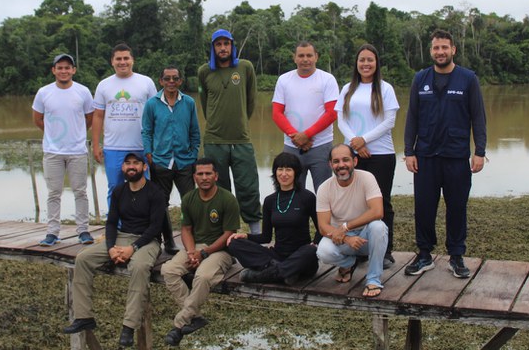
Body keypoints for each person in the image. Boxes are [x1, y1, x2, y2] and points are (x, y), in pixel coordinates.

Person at [403, 29, 487, 279]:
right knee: (424, 207)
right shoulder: (421, 79)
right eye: (436, 48)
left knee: (457, 207)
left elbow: (478, 118)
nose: (440, 52)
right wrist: (409, 151)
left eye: (444, 48)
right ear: (431, 51)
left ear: (453, 50)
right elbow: (412, 119)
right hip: (426, 156)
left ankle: (457, 256)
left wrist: (479, 151)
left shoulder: (468, 79)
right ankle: (425, 254)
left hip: (456, 157)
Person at [63, 152, 165, 347]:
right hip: (121, 236)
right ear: (123, 168)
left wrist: (132, 249)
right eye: (128, 163)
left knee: (139, 267)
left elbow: (155, 227)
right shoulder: (119, 191)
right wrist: (111, 249)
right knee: (83, 259)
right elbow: (110, 224)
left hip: (147, 241)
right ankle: (84, 316)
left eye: (136, 163)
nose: (131, 166)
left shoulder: (155, 192)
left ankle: (129, 326)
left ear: (144, 167)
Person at [160, 158, 240, 347]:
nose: (204, 177)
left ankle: (179, 324)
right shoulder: (189, 198)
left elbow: (229, 233)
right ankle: (195, 318)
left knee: (203, 277)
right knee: (169, 270)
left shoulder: (227, 199)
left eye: (208, 173)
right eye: (200, 174)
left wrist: (203, 253)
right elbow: (186, 229)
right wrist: (190, 252)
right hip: (195, 247)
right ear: (194, 176)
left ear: (216, 176)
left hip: (221, 250)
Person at [335, 44, 400, 268]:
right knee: (356, 203)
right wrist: (355, 142)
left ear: (376, 63)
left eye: (370, 60)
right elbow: (341, 119)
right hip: (352, 154)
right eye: (361, 60)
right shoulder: (347, 89)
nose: (365, 64)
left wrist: (364, 140)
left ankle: (385, 251)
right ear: (356, 63)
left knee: (382, 201)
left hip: (381, 153)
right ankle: (360, 248)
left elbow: (389, 121)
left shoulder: (385, 88)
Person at [197, 29, 261, 234]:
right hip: (214, 141)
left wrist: (240, 121)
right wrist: (218, 123)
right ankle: (224, 235)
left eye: (226, 44)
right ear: (213, 48)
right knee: (219, 190)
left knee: (248, 187)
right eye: (218, 44)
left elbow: (251, 101)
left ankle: (256, 233)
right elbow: (206, 104)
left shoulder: (245, 67)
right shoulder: (204, 71)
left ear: (232, 46)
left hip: (241, 139)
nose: (223, 48)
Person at [227, 152, 320, 285]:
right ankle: (287, 273)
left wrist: (315, 243)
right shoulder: (270, 200)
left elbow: (321, 229)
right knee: (234, 244)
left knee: (311, 251)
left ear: (296, 173)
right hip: (277, 256)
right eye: (280, 169)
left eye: (288, 169)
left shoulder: (307, 197)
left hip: (301, 256)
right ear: (275, 172)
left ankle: (266, 275)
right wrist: (245, 236)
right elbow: (266, 237)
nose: (283, 174)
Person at [32, 53, 95, 246]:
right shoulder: (43, 92)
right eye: (60, 67)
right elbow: (38, 119)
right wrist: (55, 134)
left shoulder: (83, 92)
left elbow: (89, 119)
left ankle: (83, 230)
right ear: (54, 70)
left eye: (68, 67)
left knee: (80, 191)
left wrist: (74, 134)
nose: (64, 71)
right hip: (52, 151)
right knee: (53, 193)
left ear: (73, 70)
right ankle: (52, 232)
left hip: (77, 150)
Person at [141, 65, 201, 254]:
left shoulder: (189, 102)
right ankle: (168, 242)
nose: (171, 82)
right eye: (167, 78)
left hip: (184, 161)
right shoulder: (152, 104)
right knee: (160, 203)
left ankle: (194, 241)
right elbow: (147, 131)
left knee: (190, 201)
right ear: (161, 81)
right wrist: (149, 154)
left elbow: (195, 132)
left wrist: (193, 155)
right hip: (161, 161)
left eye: (175, 78)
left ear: (180, 81)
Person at [316, 144, 388, 298]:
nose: (341, 165)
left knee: (378, 227)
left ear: (355, 161)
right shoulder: (324, 188)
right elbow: (323, 226)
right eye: (336, 161)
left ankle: (373, 279)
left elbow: (377, 211)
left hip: (366, 236)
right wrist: (346, 237)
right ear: (330, 165)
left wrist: (346, 227)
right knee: (323, 252)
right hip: (342, 240)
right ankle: (349, 264)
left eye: (345, 160)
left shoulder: (367, 178)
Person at [92, 43, 157, 209]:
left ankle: (143, 225)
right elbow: (98, 116)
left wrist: (154, 145)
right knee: (115, 188)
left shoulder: (146, 82)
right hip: (113, 147)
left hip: (141, 146)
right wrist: (95, 144)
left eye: (126, 58)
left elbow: (155, 115)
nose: (123, 62)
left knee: (144, 187)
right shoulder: (104, 85)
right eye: (118, 59)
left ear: (132, 60)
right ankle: (115, 226)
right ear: (112, 62)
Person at [272, 41, 339, 191]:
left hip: (321, 145)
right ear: (294, 58)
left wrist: (307, 135)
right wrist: (296, 137)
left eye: (309, 55)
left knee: (324, 192)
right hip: (292, 146)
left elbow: (332, 113)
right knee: (292, 191)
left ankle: (321, 216)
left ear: (316, 57)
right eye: (301, 55)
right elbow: (277, 113)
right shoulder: (284, 80)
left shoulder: (327, 79)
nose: (305, 59)